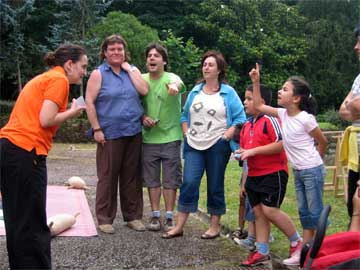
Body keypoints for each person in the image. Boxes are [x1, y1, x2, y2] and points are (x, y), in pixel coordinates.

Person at [0, 44, 88, 269]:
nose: (84, 72)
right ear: (69, 64)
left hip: (11, 150)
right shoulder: (59, 81)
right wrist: (74, 111)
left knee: (17, 220)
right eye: (83, 66)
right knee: (32, 222)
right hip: (26, 152)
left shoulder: (46, 78)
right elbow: (46, 120)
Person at [162, 50, 246, 239]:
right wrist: (186, 132)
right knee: (189, 182)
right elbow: (184, 115)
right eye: (204, 64)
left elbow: (240, 118)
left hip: (218, 145)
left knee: (215, 184)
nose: (206, 67)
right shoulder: (195, 91)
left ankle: (214, 226)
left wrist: (227, 135)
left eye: (210, 65)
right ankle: (179, 226)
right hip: (193, 144)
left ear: (219, 70)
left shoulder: (228, 92)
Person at [249, 64, 328, 266]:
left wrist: (314, 163)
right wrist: (256, 82)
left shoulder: (305, 119)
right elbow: (258, 106)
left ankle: (320, 251)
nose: (279, 91)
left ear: (296, 98)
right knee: (304, 212)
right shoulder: (283, 115)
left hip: (311, 170)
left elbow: (322, 141)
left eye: (285, 89)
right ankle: (306, 251)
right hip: (299, 171)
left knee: (315, 212)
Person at [85, 34, 149, 234]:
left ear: (125, 52)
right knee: (108, 176)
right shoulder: (98, 73)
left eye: (119, 49)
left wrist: (129, 69)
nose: (116, 52)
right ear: (104, 53)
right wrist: (96, 129)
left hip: (133, 131)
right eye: (112, 49)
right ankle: (105, 218)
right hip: (109, 133)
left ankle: (133, 217)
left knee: (132, 177)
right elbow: (89, 101)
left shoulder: (133, 70)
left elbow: (144, 90)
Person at [236, 84, 302, 267]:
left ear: (260, 102)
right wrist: (242, 154)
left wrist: (253, 151)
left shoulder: (271, 119)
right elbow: (247, 152)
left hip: (273, 173)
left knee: (270, 210)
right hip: (253, 176)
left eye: (249, 98)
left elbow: (282, 144)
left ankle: (297, 242)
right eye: (245, 98)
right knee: (258, 213)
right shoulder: (247, 124)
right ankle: (262, 252)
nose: (245, 102)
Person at [141, 42, 186, 232]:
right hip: (148, 138)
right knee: (152, 180)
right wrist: (143, 118)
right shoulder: (141, 80)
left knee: (170, 180)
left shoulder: (171, 77)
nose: (152, 58)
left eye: (156, 55)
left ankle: (169, 216)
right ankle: (154, 215)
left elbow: (178, 83)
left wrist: (174, 87)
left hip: (171, 137)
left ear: (164, 61)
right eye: (149, 55)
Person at [339, 24, 360, 220]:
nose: (356, 47)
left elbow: (351, 106)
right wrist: (354, 105)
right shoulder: (358, 78)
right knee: (352, 206)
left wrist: (352, 104)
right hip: (357, 156)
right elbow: (343, 110)